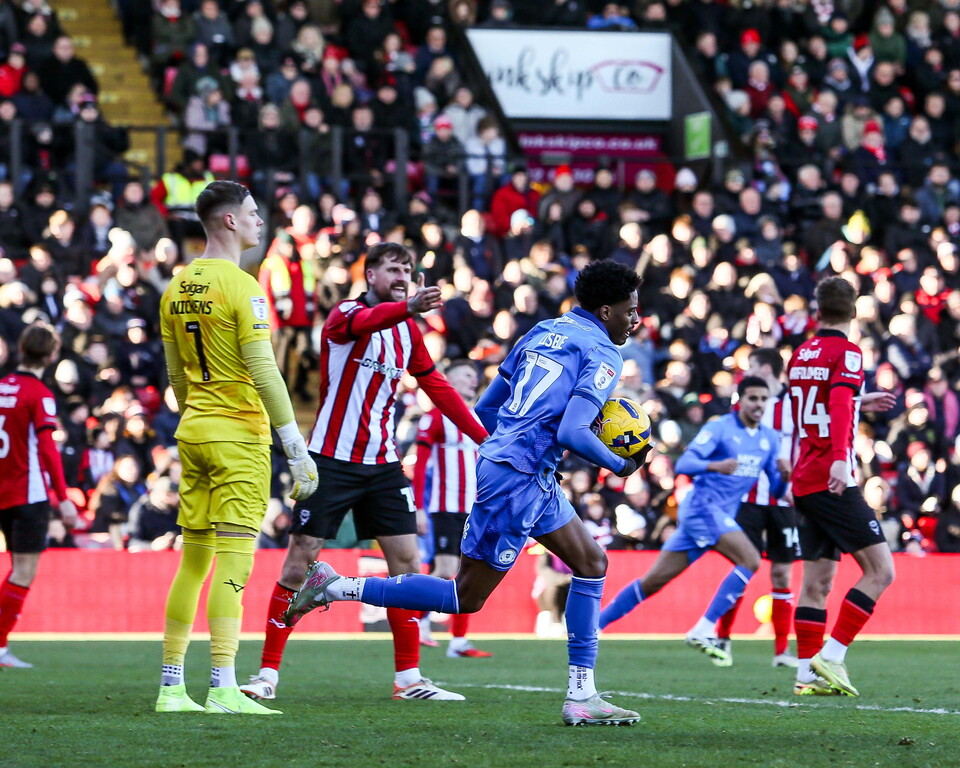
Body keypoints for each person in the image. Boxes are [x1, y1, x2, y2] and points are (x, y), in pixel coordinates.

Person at [282, 259, 645, 726]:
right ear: (606, 310)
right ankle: (335, 585)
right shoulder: (603, 352)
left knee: (592, 563)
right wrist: (621, 464)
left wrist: (502, 449)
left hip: (522, 469)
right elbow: (576, 431)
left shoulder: (542, 331)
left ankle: (582, 695)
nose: (636, 319)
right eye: (630, 310)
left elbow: (491, 401)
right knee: (465, 598)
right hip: (519, 475)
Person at [240, 242, 488, 705]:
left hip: (383, 464)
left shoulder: (408, 333)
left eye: (408, 270)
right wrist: (408, 306)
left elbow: (436, 385)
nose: (403, 274)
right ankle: (266, 674)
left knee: (407, 566)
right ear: (370, 274)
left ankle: (409, 678)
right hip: (330, 459)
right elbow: (365, 321)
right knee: (300, 562)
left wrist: (481, 437)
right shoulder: (345, 314)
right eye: (393, 268)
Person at [155, 181, 318, 715]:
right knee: (236, 562)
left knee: (193, 562)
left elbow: (177, 377)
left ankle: (172, 688)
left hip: (194, 432)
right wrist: (293, 442)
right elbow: (264, 368)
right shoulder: (243, 286)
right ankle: (224, 685)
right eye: (252, 213)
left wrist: (197, 416)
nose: (259, 222)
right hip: (239, 436)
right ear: (229, 222)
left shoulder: (175, 288)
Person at [599, 377, 785, 668]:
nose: (758, 404)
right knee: (750, 560)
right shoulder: (719, 428)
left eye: (763, 399)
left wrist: (785, 476)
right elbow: (684, 465)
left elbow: (776, 488)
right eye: (753, 398)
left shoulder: (770, 439)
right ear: (740, 399)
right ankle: (704, 628)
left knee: (654, 581)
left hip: (716, 516)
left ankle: (594, 626)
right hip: (702, 509)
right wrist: (714, 465)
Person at [786, 277, 896, 697]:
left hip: (803, 477)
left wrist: (858, 401)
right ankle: (831, 656)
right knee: (881, 570)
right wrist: (838, 460)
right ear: (853, 312)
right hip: (831, 478)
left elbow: (813, 402)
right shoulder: (848, 353)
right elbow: (833, 403)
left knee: (817, 581)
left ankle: (805, 675)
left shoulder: (801, 354)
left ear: (818, 311)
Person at [706, 347, 800, 669]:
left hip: (782, 501)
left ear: (767, 369)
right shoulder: (744, 404)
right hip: (746, 499)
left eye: (752, 367)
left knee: (782, 573)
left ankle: (781, 652)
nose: (746, 375)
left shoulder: (795, 405)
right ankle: (723, 639)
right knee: (742, 568)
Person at [0, 323, 78, 668]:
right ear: (51, 355)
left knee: (18, 570)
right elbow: (47, 450)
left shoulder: (2, 386)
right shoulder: (39, 394)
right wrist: (62, 497)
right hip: (26, 494)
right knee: (24, 571)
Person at [412, 359, 491, 659]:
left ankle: (458, 642)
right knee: (444, 570)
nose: (474, 380)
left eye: (475, 376)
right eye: (467, 375)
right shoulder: (435, 418)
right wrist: (419, 507)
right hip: (446, 507)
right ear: (450, 380)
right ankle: (420, 624)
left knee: (469, 573)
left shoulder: (481, 419)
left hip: (477, 509)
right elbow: (419, 466)